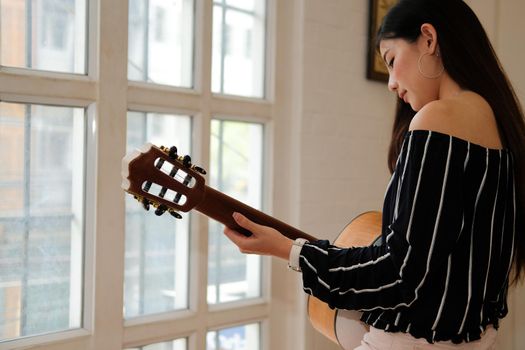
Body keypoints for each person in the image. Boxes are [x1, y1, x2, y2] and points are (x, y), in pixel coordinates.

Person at [223, 0, 525, 348]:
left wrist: (288, 250)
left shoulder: (438, 119)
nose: (391, 83)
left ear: (428, 39)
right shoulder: (500, 126)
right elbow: (436, 258)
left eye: (392, 61)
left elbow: (401, 273)